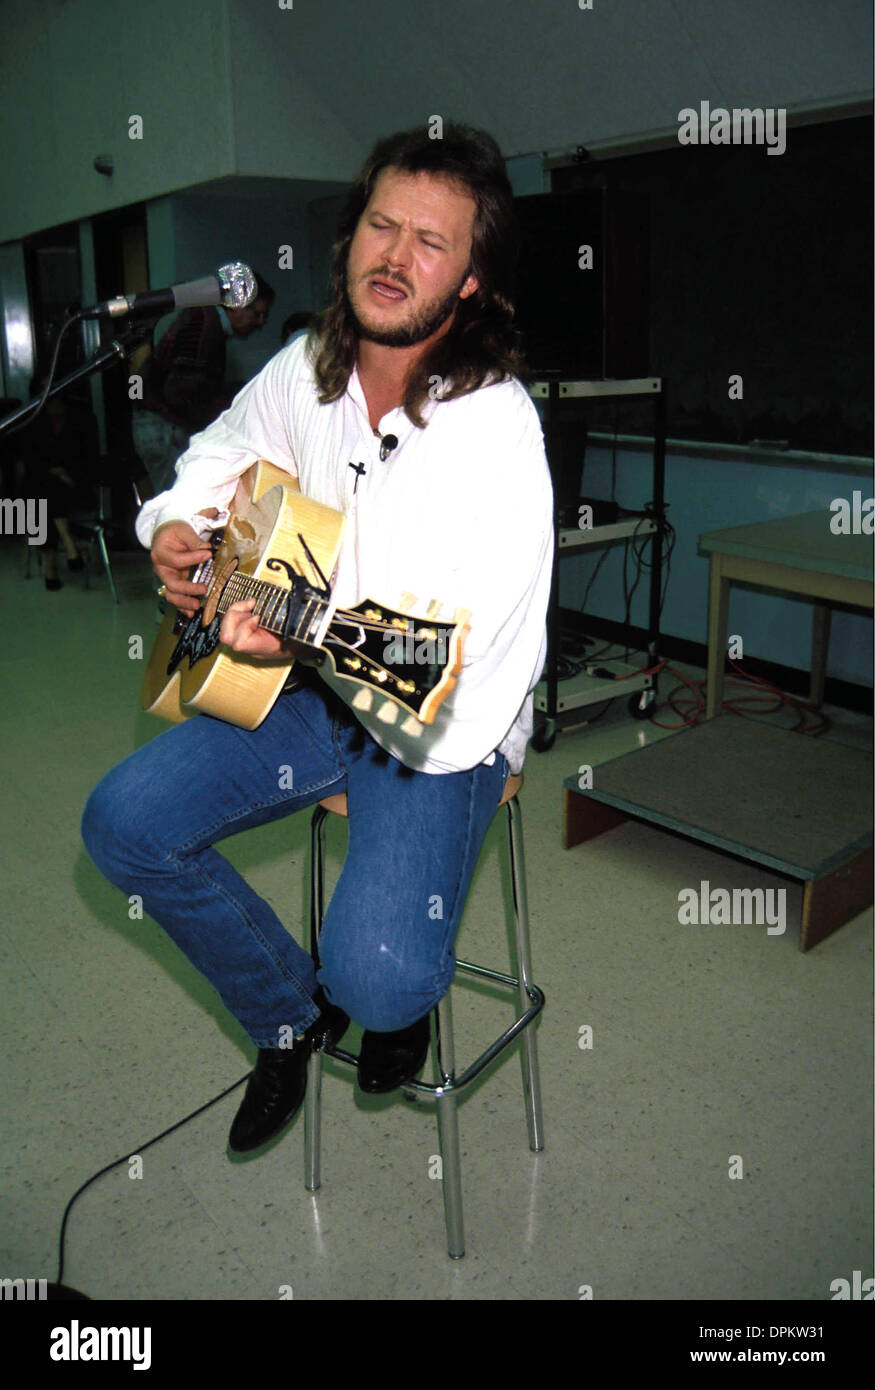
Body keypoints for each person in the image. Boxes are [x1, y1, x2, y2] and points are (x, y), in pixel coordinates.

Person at [81, 123, 554, 1155]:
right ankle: (286, 1015)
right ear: (348, 240)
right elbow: (222, 449)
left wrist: (294, 630)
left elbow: (456, 683)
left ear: (471, 280)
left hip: (437, 739)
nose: (395, 255)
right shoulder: (308, 367)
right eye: (380, 225)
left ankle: (387, 992)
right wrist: (172, 523)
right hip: (307, 696)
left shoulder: (496, 432)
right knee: (123, 824)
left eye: (431, 241)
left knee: (379, 973)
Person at [131, 273, 275, 496]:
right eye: (257, 314)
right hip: (164, 428)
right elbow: (181, 393)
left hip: (159, 424)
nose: (261, 323)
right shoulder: (204, 325)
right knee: (178, 510)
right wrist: (233, 405)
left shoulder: (205, 321)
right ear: (236, 306)